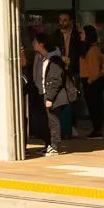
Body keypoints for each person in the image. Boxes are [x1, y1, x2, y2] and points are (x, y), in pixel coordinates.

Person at [30, 28, 73, 157]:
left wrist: (50, 98)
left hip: (52, 95)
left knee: (53, 120)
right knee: (42, 121)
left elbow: (55, 80)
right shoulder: (39, 57)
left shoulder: (53, 59)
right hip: (41, 92)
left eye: (35, 42)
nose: (33, 44)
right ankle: (48, 144)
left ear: (41, 44)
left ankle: (54, 145)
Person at [78, 22, 104, 139]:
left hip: (92, 82)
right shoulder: (88, 49)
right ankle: (96, 129)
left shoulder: (92, 50)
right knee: (92, 106)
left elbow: (94, 69)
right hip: (89, 81)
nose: (80, 35)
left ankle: (97, 130)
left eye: (82, 33)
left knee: (95, 106)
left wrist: (90, 81)